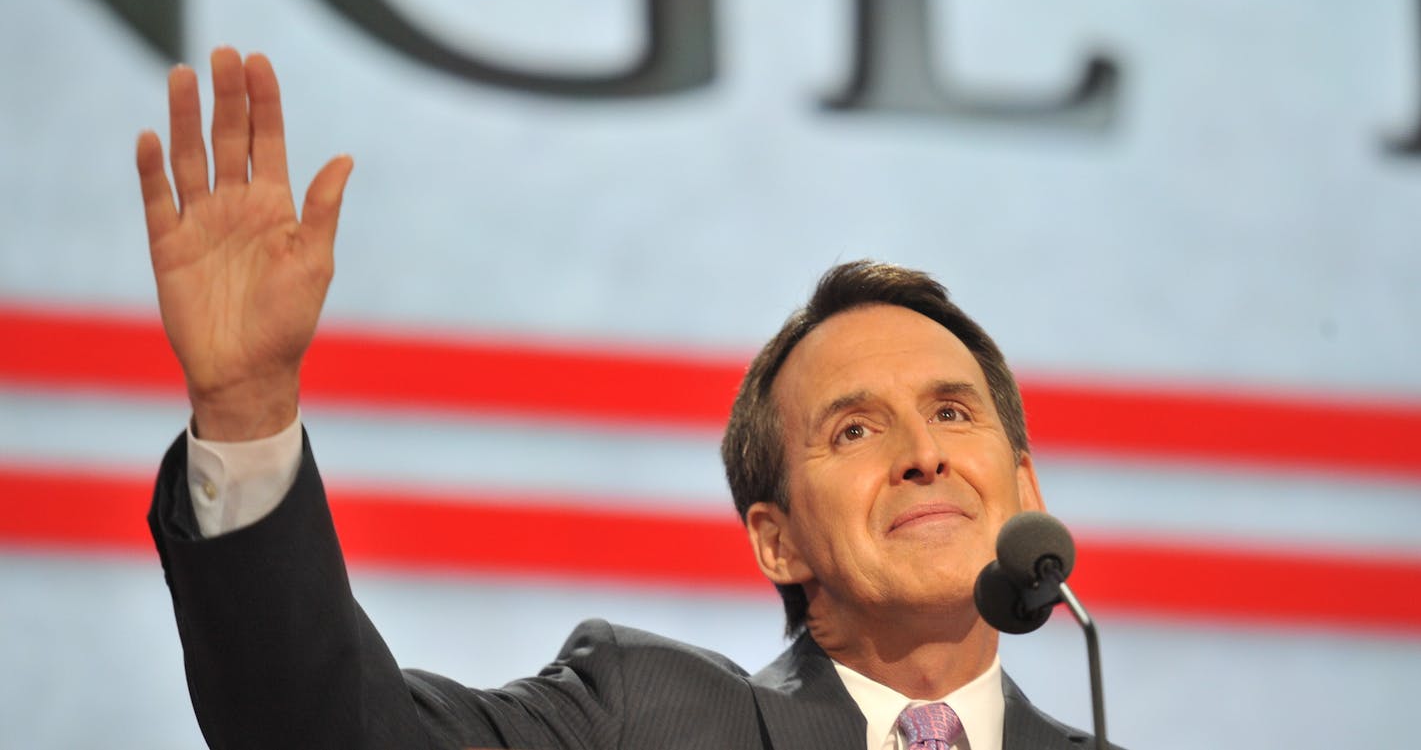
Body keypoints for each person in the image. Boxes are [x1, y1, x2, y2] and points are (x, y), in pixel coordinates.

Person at [139, 47, 1110, 750]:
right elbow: (328, 737)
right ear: (776, 540)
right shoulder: (643, 717)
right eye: (853, 428)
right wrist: (248, 407)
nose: (921, 454)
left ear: (1024, 490)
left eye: (951, 412)